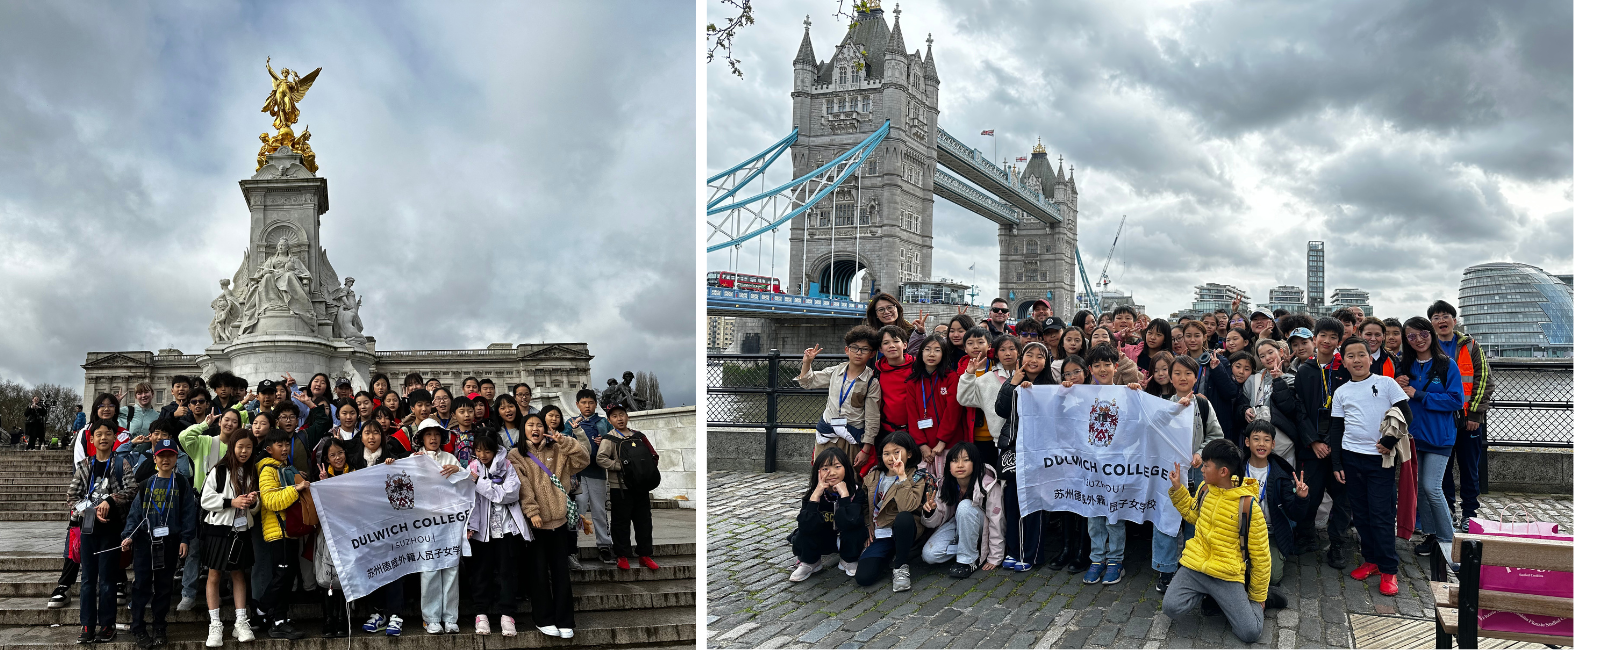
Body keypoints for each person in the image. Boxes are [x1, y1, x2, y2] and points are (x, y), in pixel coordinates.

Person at [1160, 440, 1278, 644]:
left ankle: (1265, 597)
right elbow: (1192, 515)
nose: (1202, 469)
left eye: (1206, 465)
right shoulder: (1205, 490)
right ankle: (1212, 597)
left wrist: (1259, 598)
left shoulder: (1248, 506)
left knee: (1250, 632)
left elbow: (1261, 558)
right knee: (1171, 607)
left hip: (1226, 573)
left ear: (1223, 471)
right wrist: (1178, 489)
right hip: (1196, 566)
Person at [1327, 337, 1412, 596]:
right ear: (1344, 360)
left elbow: (1405, 413)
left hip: (1380, 459)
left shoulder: (1385, 383)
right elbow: (1337, 428)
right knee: (1361, 515)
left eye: (1361, 354)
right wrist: (1337, 462)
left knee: (1381, 515)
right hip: (1352, 458)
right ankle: (1372, 560)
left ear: (1370, 357)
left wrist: (1388, 441)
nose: (1356, 360)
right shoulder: (1342, 391)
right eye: (1350, 356)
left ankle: (1389, 569)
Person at [508, 413, 590, 639]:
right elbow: (522, 487)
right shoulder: (516, 454)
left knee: (561, 573)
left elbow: (583, 460)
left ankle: (565, 620)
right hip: (536, 524)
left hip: (560, 521)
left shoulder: (557, 449)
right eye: (530, 425)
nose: (535, 429)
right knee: (538, 574)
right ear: (523, 429)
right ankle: (543, 618)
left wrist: (565, 441)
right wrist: (532, 511)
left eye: (538, 425)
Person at [1151, 355, 1224, 594]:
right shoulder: (1162, 404)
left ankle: (1191, 566)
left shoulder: (1203, 404)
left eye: (1188, 373)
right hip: (1170, 475)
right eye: (1178, 373)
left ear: (1196, 377)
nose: (1183, 378)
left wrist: (1201, 454)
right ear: (1170, 378)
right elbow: (1151, 430)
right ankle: (1166, 568)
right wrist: (1173, 411)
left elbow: (1216, 435)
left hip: (1198, 476)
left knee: (1198, 523)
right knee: (1166, 521)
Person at [1397, 316, 1465, 569]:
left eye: (1422, 333)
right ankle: (1430, 535)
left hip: (1439, 436)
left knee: (1432, 487)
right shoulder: (1405, 365)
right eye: (1411, 336)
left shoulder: (1447, 364)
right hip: (1415, 436)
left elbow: (1456, 400)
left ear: (1431, 334)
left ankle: (1449, 541)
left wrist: (1420, 394)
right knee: (1421, 489)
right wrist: (1397, 382)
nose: (1418, 340)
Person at [67, 420, 139, 644]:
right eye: (98, 434)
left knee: (107, 580)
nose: (103, 438)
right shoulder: (84, 465)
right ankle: (87, 624)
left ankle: (107, 625)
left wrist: (109, 499)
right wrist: (90, 509)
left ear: (114, 438)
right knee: (88, 579)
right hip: (88, 529)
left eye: (108, 434)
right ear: (92, 439)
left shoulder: (121, 463)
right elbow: (72, 497)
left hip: (112, 529)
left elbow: (132, 489)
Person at [121, 439, 197, 648]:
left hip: (170, 542)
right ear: (155, 458)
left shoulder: (181, 484)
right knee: (141, 584)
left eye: (170, 455)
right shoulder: (146, 485)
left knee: (164, 586)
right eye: (161, 455)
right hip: (146, 542)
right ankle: (138, 626)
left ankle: (160, 626)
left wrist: (185, 539)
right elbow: (135, 514)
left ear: (176, 458)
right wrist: (128, 535)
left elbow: (189, 514)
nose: (165, 459)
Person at [1428, 300, 1494, 530]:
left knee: (1469, 468)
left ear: (1454, 320)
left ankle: (1469, 513)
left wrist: (1475, 415)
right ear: (1431, 323)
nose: (1441, 320)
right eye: (1436, 317)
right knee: (1442, 469)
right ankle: (1446, 510)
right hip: (1440, 420)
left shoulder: (1471, 345)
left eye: (1445, 315)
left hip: (1468, 421)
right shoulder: (1428, 347)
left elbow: (1483, 380)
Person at [1293, 318, 1353, 568]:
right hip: (1312, 446)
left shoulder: (1346, 369)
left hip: (1340, 445)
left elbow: (1349, 409)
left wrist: (1330, 442)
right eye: (1322, 336)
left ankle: (1338, 543)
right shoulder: (1305, 370)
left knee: (1342, 497)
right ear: (1314, 338)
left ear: (1339, 341)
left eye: (1332, 337)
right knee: (1311, 493)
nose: (1327, 341)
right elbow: (1299, 409)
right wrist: (1314, 441)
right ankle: (1305, 536)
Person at [993, 341, 1058, 572]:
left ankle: (1032, 554)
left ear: (1046, 361)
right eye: (1029, 354)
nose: (1033, 360)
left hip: (1039, 452)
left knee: (1034, 503)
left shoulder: (1052, 386)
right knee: (1012, 501)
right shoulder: (1014, 382)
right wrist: (1014, 383)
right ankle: (1013, 550)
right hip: (1014, 449)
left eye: (1040, 356)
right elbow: (1001, 409)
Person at [464, 427, 527, 637]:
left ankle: (507, 614)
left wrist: (480, 483)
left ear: (495, 449)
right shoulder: (472, 467)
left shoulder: (508, 466)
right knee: (480, 572)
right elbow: (469, 500)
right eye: (479, 450)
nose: (483, 455)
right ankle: (481, 613)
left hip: (506, 528)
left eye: (487, 451)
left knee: (507, 571)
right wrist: (470, 525)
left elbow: (510, 494)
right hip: (480, 531)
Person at [198, 434, 258, 647]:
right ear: (232, 447)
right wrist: (231, 502)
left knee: (239, 573)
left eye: (249, 447)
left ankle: (241, 621)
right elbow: (205, 500)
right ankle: (215, 625)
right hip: (218, 529)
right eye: (240, 447)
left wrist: (252, 502)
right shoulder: (219, 470)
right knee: (214, 574)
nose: (244, 451)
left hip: (242, 529)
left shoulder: (252, 471)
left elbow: (255, 506)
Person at [796, 325, 882, 468]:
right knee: (823, 475)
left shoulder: (871, 381)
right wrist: (807, 362)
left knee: (848, 478)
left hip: (851, 436)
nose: (859, 353)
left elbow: (872, 418)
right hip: (827, 434)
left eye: (864, 349)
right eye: (854, 348)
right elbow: (808, 382)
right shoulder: (835, 371)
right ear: (847, 350)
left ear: (872, 354)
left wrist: (866, 450)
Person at [856, 430, 930, 591]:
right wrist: (868, 523)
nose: (891, 458)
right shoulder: (875, 473)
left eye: (897, 452)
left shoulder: (917, 475)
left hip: (903, 529)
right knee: (864, 577)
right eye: (886, 453)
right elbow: (865, 504)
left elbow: (907, 507)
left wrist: (902, 476)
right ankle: (891, 553)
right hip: (880, 532)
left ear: (909, 454)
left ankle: (901, 565)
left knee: (903, 517)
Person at [919, 442, 1005, 579]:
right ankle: (967, 548)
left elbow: (996, 521)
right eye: (954, 461)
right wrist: (930, 511)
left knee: (965, 506)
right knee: (930, 555)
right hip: (958, 524)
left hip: (984, 527)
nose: (960, 465)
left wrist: (995, 556)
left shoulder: (988, 485)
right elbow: (936, 520)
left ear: (975, 462)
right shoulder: (945, 483)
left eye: (966, 460)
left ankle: (968, 560)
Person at [408, 423, 463, 635]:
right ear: (421, 438)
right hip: (424, 524)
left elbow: (466, 485)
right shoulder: (414, 459)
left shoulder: (451, 459)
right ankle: (431, 618)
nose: (433, 438)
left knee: (450, 568)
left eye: (436, 434)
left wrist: (458, 471)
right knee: (429, 569)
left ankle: (450, 617)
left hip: (449, 523)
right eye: (428, 435)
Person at [253, 429, 308, 640]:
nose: (284, 449)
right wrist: (297, 488)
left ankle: (280, 619)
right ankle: (262, 611)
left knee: (287, 577)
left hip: (289, 530)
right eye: (279, 445)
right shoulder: (267, 470)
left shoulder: (284, 467)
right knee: (282, 576)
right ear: (269, 449)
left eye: (287, 445)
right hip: (278, 531)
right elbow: (271, 501)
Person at [1241, 420, 1308, 587]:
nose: (1261, 444)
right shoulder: (1237, 471)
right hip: (1242, 532)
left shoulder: (1281, 475)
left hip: (1270, 534)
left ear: (1273, 444)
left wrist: (1301, 497)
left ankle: (1271, 558)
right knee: (1234, 571)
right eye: (1256, 439)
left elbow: (1295, 514)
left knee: (1272, 577)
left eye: (1267, 439)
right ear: (1247, 442)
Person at [595, 404, 660, 570]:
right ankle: (622, 555)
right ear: (609, 420)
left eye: (622, 415)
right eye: (615, 416)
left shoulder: (639, 436)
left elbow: (652, 455)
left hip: (640, 486)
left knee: (644, 522)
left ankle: (645, 554)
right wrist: (620, 466)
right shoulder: (609, 439)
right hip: (620, 488)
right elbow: (601, 459)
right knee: (620, 523)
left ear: (627, 416)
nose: (619, 418)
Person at [789, 447, 867, 581]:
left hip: (845, 539)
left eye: (837, 467)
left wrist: (844, 496)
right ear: (818, 471)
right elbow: (805, 525)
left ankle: (848, 559)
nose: (832, 473)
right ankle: (810, 562)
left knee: (857, 530)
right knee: (803, 531)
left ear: (846, 468)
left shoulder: (856, 492)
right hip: (822, 539)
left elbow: (850, 521)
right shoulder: (815, 493)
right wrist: (815, 496)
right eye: (825, 468)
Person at [905, 336, 961, 481]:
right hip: (925, 447)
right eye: (927, 350)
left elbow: (953, 411)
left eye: (937, 350)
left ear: (944, 354)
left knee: (949, 481)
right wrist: (922, 445)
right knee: (927, 484)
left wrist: (942, 441)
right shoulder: (913, 381)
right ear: (920, 353)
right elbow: (912, 415)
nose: (931, 354)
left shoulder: (951, 377)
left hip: (949, 442)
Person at [1238, 339, 1303, 463]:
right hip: (1256, 436)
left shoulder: (1292, 380)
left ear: (1281, 352)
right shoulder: (1252, 379)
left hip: (1283, 439)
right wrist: (1245, 410)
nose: (1267, 358)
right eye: (1262, 356)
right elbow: (1241, 403)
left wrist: (1278, 381)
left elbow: (1289, 409)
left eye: (1270, 352)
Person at [568, 389, 614, 562]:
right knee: (577, 511)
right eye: (583, 403)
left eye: (591, 403)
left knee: (599, 510)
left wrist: (604, 442)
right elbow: (564, 441)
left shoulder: (604, 423)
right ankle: (573, 547)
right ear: (577, 404)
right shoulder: (570, 423)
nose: (587, 406)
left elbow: (613, 443)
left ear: (596, 404)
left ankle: (604, 544)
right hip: (577, 475)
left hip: (597, 472)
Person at [957, 331, 1012, 474]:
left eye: (980, 342)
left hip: (1001, 435)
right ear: (964, 347)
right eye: (970, 343)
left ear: (989, 345)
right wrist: (968, 374)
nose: (976, 346)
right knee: (983, 476)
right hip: (976, 434)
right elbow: (964, 399)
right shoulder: (962, 370)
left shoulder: (999, 369)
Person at [863, 292, 927, 358]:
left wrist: (921, 334)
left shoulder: (911, 333)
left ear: (897, 308)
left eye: (890, 307)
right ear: (876, 314)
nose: (886, 312)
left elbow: (920, 355)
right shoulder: (870, 337)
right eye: (881, 309)